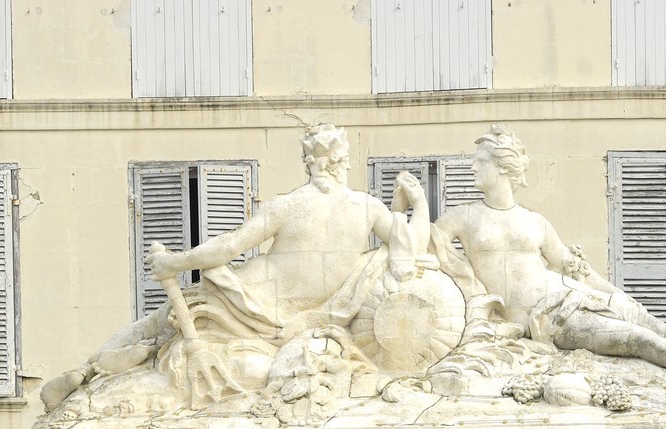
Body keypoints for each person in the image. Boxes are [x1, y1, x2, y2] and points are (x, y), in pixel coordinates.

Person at [41, 124, 426, 410]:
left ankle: (88, 370)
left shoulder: (288, 205)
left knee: (157, 325)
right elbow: (413, 244)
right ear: (342, 164)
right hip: (298, 315)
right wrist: (417, 202)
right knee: (164, 334)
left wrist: (173, 261)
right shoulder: (368, 208)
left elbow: (227, 247)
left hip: (248, 297)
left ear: (310, 165)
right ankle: (93, 372)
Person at [435, 124, 666, 402]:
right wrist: (406, 201)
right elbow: (416, 244)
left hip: (571, 295)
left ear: (502, 167)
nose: (472, 167)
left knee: (660, 331)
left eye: (480, 161)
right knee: (644, 342)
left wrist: (623, 298)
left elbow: (579, 273)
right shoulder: (463, 217)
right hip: (549, 319)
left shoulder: (535, 222)